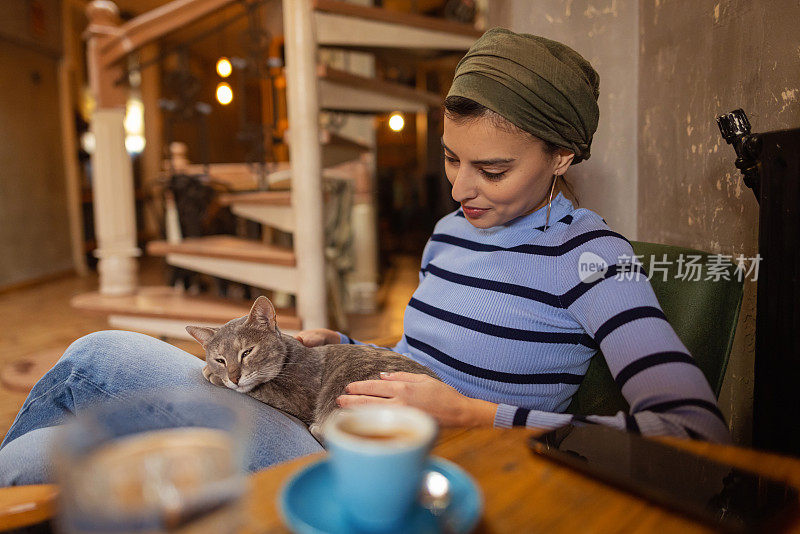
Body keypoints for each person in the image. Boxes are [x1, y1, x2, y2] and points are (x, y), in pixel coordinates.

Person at [0, 29, 728, 486]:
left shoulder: (593, 257)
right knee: (46, 463)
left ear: (563, 155)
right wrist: (335, 348)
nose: (460, 187)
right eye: (450, 158)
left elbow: (694, 433)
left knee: (99, 357)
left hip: (410, 469)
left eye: (492, 170)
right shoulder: (450, 231)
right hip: (335, 416)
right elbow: (414, 354)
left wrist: (475, 415)